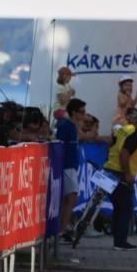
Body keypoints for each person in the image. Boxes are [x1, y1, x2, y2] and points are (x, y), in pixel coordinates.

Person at [103, 107, 137, 250]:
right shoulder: (135, 134)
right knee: (125, 208)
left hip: (108, 170)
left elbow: (110, 143)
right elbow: (124, 153)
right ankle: (120, 242)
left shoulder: (124, 129)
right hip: (119, 174)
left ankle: (117, 239)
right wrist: (127, 174)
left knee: (118, 208)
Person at [57, 98, 86, 242]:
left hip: (72, 165)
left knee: (69, 197)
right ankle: (62, 228)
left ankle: (63, 226)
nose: (84, 115)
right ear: (74, 112)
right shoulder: (65, 125)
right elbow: (60, 145)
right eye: (81, 112)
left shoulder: (73, 126)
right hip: (66, 165)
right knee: (71, 196)